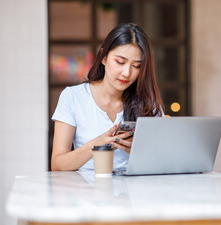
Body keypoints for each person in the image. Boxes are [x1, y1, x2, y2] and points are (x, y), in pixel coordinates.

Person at [51, 23, 164, 172]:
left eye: (136, 66)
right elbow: (58, 166)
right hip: (87, 191)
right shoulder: (73, 97)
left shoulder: (148, 103)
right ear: (103, 57)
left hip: (134, 192)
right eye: (120, 62)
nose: (126, 73)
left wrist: (138, 152)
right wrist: (97, 144)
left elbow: (163, 161)